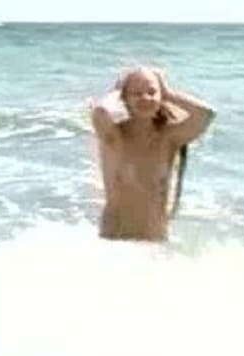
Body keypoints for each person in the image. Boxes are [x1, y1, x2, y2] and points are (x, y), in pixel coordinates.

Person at [89, 66, 215, 242]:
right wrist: (117, 92)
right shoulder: (114, 137)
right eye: (137, 93)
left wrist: (168, 94)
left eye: (152, 92)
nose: (145, 98)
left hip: (155, 245)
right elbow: (100, 111)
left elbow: (207, 114)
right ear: (124, 98)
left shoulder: (168, 139)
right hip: (114, 243)